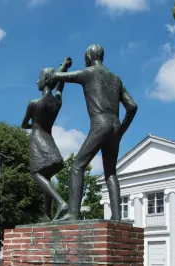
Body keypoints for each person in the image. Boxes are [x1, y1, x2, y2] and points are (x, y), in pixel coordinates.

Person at [44, 44, 138, 221]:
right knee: (111, 172)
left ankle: (73, 212)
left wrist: (62, 67)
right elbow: (132, 106)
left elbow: (54, 77)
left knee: (77, 166)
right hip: (115, 125)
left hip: (100, 123)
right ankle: (117, 217)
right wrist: (121, 131)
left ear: (88, 56)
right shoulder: (116, 79)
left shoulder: (89, 72)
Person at [21, 57, 72, 221]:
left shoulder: (33, 103)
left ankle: (61, 203)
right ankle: (47, 214)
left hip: (37, 139)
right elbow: (60, 87)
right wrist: (63, 69)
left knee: (36, 173)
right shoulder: (57, 103)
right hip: (49, 139)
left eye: (39, 78)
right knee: (47, 177)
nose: (37, 81)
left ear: (45, 80)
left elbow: (23, 124)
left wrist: (34, 126)